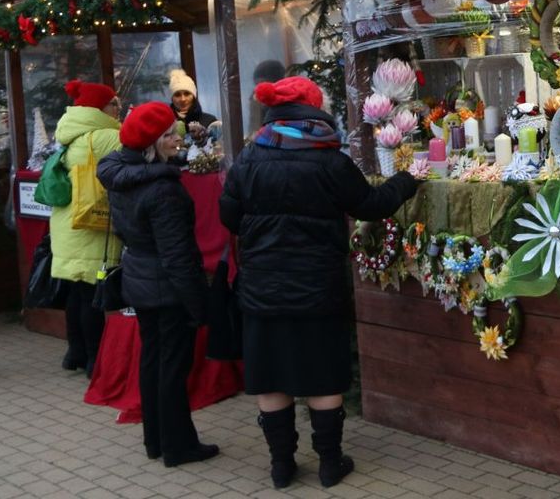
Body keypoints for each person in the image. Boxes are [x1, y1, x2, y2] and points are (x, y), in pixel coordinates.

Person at [219, 76, 419, 489]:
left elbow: (229, 217)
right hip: (317, 287)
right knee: (323, 374)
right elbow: (371, 205)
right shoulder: (329, 159)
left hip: (262, 288)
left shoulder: (251, 156)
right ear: (314, 110)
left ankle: (281, 466)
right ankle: (330, 463)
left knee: (270, 375)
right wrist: (406, 179)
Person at [96, 102, 217, 467]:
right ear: (150, 144)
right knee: (171, 367)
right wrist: (198, 304)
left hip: (140, 278)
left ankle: (156, 439)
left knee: (153, 361)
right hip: (165, 285)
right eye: (167, 135)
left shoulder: (122, 173)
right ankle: (178, 446)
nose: (175, 140)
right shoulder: (162, 190)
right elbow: (177, 255)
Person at [50, 80, 122, 377]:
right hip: (91, 224)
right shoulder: (105, 136)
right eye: (114, 104)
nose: (119, 109)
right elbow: (145, 140)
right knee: (93, 296)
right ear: (100, 108)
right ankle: (95, 360)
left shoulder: (68, 134)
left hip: (66, 226)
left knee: (76, 294)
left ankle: (74, 353)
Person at [168, 69, 217, 147]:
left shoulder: (209, 121)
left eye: (187, 94)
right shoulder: (166, 124)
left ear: (194, 96)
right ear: (172, 98)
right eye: (177, 95)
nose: (183, 99)